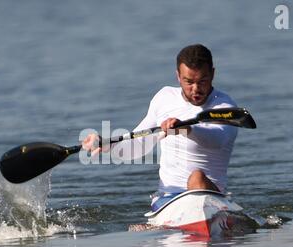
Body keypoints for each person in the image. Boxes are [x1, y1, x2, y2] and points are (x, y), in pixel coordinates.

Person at [82, 44, 238, 212]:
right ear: (178, 76)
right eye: (189, 82)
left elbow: (218, 140)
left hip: (212, 199)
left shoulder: (224, 106)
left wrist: (187, 129)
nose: (196, 89)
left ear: (213, 74)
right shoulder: (164, 98)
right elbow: (139, 145)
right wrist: (107, 144)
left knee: (197, 178)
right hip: (168, 199)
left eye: (202, 81)